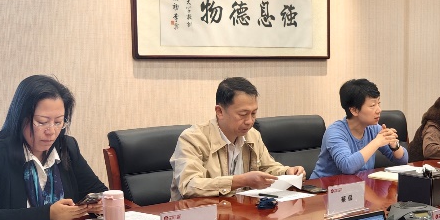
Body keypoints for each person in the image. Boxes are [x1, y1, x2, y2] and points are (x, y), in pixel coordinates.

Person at [0, 74, 106, 220]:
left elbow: (98, 191)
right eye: (42, 122)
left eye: (58, 122)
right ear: (20, 118)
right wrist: (48, 214)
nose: (51, 131)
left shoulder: (66, 147)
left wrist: (98, 205)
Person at [170, 77, 304, 200]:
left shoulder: (252, 135)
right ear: (220, 112)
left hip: (239, 211)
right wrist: (241, 181)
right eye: (243, 114)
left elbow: (266, 168)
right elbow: (189, 185)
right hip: (201, 213)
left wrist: (287, 172)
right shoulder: (193, 138)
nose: (250, 121)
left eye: (253, 113)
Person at [311, 78, 408, 178]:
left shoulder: (374, 129)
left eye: (378, 103)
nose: (379, 110)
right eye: (372, 105)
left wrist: (394, 146)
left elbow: (403, 161)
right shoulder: (335, 132)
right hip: (324, 186)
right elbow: (347, 166)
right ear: (354, 110)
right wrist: (377, 142)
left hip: (357, 185)